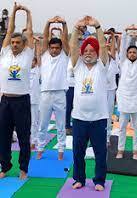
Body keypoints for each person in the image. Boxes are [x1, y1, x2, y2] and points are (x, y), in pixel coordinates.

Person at [69, 16, 109, 190]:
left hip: (99, 118)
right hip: (79, 118)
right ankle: (79, 179)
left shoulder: (102, 67)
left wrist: (98, 26)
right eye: (86, 50)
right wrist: (76, 28)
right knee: (78, 152)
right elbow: (72, 47)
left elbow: (103, 46)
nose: (88, 53)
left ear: (97, 53)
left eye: (92, 50)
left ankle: (99, 181)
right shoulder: (77, 67)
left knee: (100, 152)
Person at [0, 3, 34, 180]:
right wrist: (13, 12)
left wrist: (27, 13)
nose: (14, 44)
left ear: (23, 44)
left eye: (17, 42)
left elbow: (28, 31)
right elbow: (9, 29)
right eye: (12, 42)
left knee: (23, 137)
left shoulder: (27, 54)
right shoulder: (5, 53)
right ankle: (5, 167)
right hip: (5, 101)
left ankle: (23, 169)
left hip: (21, 101)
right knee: (3, 137)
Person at [37, 16, 69, 160]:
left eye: (57, 48)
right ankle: (40, 148)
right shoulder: (44, 55)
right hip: (45, 94)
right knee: (42, 124)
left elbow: (66, 40)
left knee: (61, 125)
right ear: (49, 48)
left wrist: (63, 23)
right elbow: (44, 38)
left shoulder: (64, 55)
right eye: (52, 48)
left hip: (60, 94)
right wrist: (48, 22)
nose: (54, 50)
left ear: (60, 48)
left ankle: (61, 150)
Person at [115, 24, 137, 160]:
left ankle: (135, 151)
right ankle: (120, 150)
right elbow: (122, 48)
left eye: (134, 52)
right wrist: (126, 32)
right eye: (130, 52)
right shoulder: (123, 63)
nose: (132, 54)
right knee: (121, 127)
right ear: (127, 54)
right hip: (124, 100)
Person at [105, 30, 119, 144]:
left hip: (110, 90)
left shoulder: (114, 60)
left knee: (109, 113)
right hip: (100, 90)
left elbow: (113, 50)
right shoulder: (100, 60)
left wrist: (113, 36)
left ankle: (107, 136)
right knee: (99, 113)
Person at [30, 36, 41, 149]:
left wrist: (37, 44)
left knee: (34, 122)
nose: (30, 62)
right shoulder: (23, 69)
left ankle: (34, 141)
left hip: (34, 100)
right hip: (23, 99)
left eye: (33, 61)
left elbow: (37, 55)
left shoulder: (37, 70)